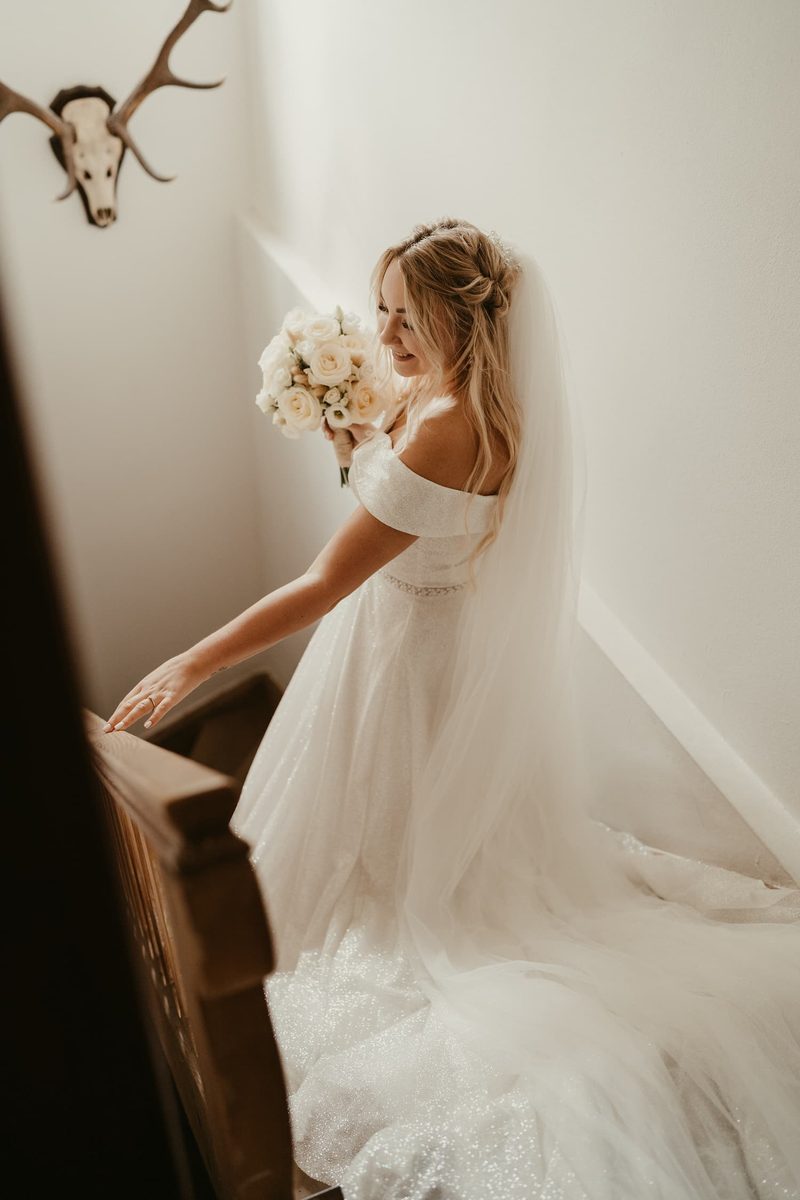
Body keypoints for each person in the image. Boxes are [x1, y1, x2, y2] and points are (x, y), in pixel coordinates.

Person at [105, 218, 800, 1199]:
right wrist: (351, 438)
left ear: (452, 315)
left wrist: (192, 662)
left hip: (399, 656)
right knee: (399, 832)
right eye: (380, 309)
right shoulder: (455, 402)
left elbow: (319, 584)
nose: (385, 332)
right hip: (417, 640)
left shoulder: (442, 424)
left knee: (392, 865)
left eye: (404, 315)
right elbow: (398, 516)